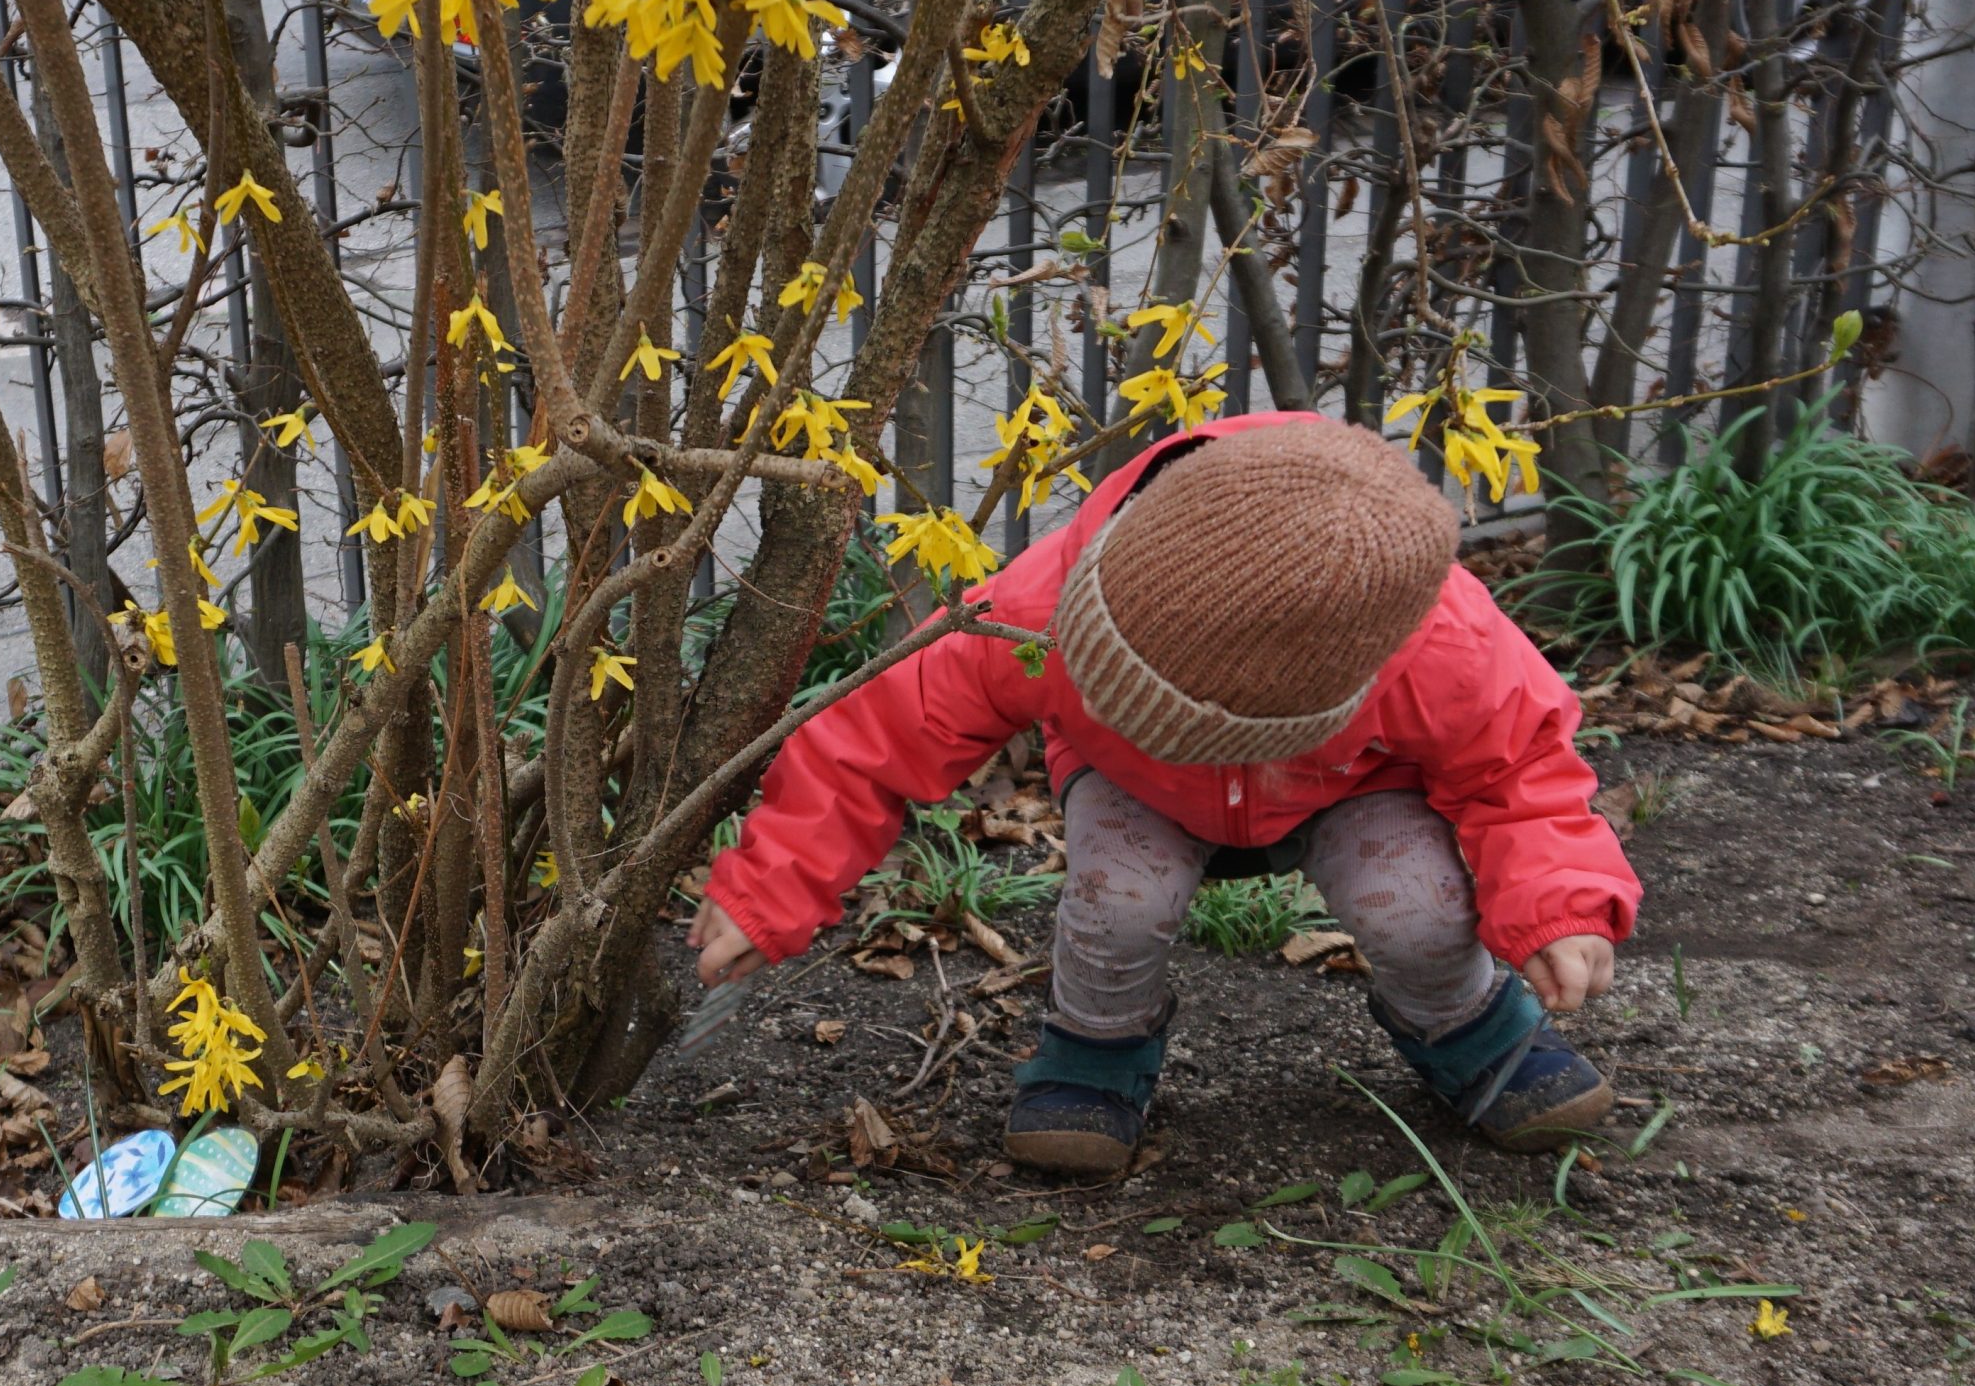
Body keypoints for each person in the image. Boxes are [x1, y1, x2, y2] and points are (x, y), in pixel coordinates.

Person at [686, 412, 1639, 1177]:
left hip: (1352, 785)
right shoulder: (1037, 611)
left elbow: (1522, 770)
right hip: (1132, 782)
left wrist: (1557, 901)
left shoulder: (1442, 642)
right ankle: (1096, 1045)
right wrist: (775, 887)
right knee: (1121, 902)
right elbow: (878, 735)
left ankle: (1466, 1023)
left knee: (1421, 912)